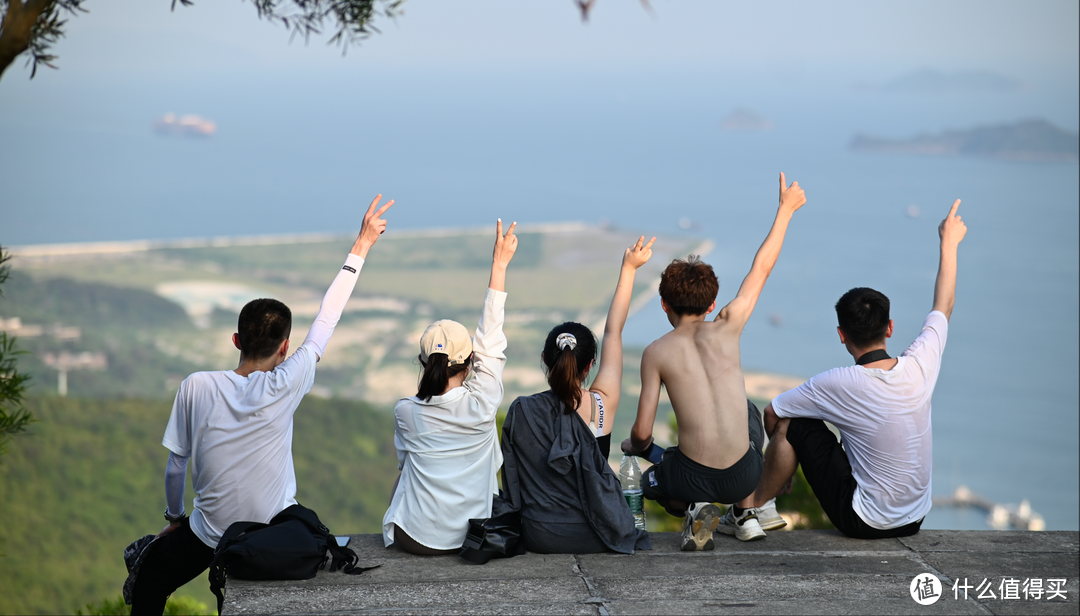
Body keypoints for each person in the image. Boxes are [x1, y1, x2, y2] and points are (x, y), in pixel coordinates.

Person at [130, 195, 394, 615]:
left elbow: (176, 466)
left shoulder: (196, 386)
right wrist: (361, 244)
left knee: (147, 582)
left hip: (206, 533)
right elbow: (328, 318)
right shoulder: (287, 382)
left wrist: (175, 516)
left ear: (236, 341)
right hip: (268, 531)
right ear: (285, 347)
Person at [748, 199, 967, 539]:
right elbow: (944, 305)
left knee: (794, 424)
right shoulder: (920, 365)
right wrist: (949, 242)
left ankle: (755, 506)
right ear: (890, 328)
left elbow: (772, 412)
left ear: (841, 335)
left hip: (863, 521)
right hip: (915, 519)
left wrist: (783, 463)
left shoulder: (837, 382)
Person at [623, 173, 807, 550]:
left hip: (690, 478)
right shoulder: (728, 325)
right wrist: (785, 210)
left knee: (652, 480)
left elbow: (642, 434)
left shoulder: (656, 352)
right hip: (744, 477)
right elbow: (762, 268)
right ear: (711, 305)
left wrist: (638, 448)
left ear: (663, 305)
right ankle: (744, 512)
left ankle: (696, 507)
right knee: (747, 410)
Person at [499, 236, 656, 554]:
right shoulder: (602, 404)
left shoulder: (522, 411)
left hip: (540, 535)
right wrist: (629, 269)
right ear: (591, 365)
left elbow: (513, 481)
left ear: (545, 360)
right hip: (599, 533)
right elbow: (614, 331)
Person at [382, 219, 517, 555]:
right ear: (470, 363)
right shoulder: (483, 402)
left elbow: (404, 464)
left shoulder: (405, 412)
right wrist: (498, 265)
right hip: (472, 537)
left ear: (423, 361)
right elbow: (491, 342)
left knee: (407, 474)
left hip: (414, 539)